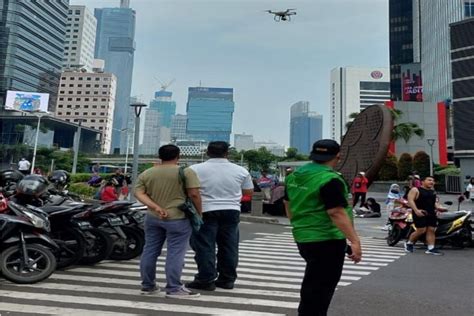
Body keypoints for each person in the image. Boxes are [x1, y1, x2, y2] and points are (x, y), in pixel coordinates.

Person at [284, 139, 362, 316]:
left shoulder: (294, 176)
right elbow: (336, 212)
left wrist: (301, 225)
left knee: (313, 283)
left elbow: (287, 204)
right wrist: (354, 241)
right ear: (338, 157)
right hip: (326, 239)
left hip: (303, 237)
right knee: (320, 290)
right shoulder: (330, 179)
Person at [134, 144, 202, 297]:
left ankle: (148, 285)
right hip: (178, 218)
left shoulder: (147, 173)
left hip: (152, 217)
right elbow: (194, 194)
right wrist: (199, 213)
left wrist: (156, 207)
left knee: (150, 250)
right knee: (175, 253)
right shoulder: (185, 172)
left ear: (160, 156)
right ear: (178, 156)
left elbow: (138, 193)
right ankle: (173, 288)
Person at [186, 141, 253, 291]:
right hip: (231, 210)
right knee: (229, 246)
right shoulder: (241, 170)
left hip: (205, 210)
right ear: (227, 153)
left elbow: (191, 191)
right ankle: (227, 279)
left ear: (207, 153)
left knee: (205, 246)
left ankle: (206, 279)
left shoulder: (194, 169)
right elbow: (248, 192)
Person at [404, 176, 443, 255]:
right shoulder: (415, 190)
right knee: (421, 230)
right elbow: (410, 200)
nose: (432, 182)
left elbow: (435, 203)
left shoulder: (433, 191)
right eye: (429, 180)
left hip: (431, 213)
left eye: (433, 180)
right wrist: (416, 210)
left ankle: (431, 248)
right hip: (420, 212)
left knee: (431, 230)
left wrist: (440, 208)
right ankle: (409, 243)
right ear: (422, 181)